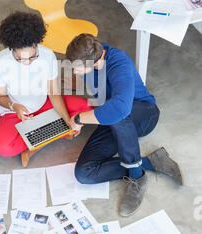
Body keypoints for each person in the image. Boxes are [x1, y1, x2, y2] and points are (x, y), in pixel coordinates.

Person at [65, 33, 183, 217]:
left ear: (92, 64)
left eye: (76, 68)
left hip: (144, 114)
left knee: (118, 112)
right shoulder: (89, 56)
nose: (73, 71)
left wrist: (80, 119)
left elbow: (120, 108)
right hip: (113, 118)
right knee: (84, 174)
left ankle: (137, 176)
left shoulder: (119, 62)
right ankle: (152, 162)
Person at [0, 11, 93, 167]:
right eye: (19, 59)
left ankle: (36, 146)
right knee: (4, 149)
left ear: (36, 45)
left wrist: (67, 121)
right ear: (11, 49)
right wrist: (14, 106)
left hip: (44, 105)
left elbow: (53, 93)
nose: (27, 63)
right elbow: (1, 98)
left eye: (32, 57)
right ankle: (54, 133)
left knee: (86, 107)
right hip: (15, 111)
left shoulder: (47, 55)